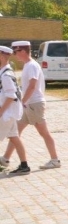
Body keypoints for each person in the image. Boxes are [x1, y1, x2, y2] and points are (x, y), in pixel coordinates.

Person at [0, 41, 61, 170]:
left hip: (34, 104)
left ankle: (55, 159)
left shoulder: (32, 65)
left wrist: (22, 102)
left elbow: (32, 86)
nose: (14, 55)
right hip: (29, 105)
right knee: (15, 132)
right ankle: (5, 158)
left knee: (43, 132)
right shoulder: (27, 65)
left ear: (22, 51)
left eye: (16, 52)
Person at [0, 45, 29, 175]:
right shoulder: (5, 71)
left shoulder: (5, 75)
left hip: (6, 114)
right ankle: (24, 165)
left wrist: (1, 111)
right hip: (9, 114)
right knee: (14, 137)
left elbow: (11, 96)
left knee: (14, 137)